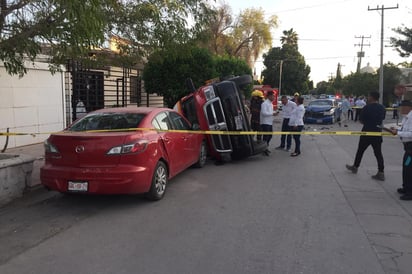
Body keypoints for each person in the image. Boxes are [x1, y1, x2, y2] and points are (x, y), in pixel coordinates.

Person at [346, 91, 386, 181]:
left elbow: (361, 121)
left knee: (360, 150)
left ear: (372, 97)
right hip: (377, 133)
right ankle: (381, 172)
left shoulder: (366, 107)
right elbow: (382, 118)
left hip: (366, 132)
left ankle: (355, 167)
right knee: (378, 153)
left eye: (368, 96)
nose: (367, 97)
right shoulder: (382, 108)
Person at [389, 100, 412, 200]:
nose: (400, 109)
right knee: (406, 167)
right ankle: (405, 187)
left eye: (402, 107)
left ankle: (410, 192)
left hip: (411, 149)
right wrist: (396, 130)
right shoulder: (406, 117)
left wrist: (398, 133)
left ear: (408, 107)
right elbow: (404, 130)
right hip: (407, 147)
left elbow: (411, 134)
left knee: (408, 168)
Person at [260, 90, 276, 156]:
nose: (274, 97)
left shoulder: (271, 104)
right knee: (266, 136)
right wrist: (272, 113)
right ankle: (264, 149)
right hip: (265, 122)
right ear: (269, 96)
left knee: (270, 135)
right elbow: (263, 113)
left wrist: (274, 113)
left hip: (270, 122)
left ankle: (266, 147)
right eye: (273, 96)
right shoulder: (264, 104)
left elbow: (270, 113)